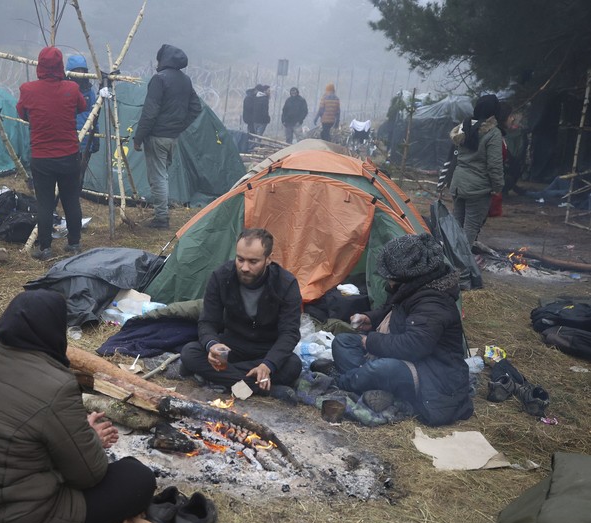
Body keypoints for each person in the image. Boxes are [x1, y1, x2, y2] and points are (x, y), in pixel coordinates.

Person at [0, 290, 157, 523]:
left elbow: (15, 430)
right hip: (1, 522)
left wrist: (77, 435)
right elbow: (89, 475)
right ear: (55, 330)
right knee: (137, 477)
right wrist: (91, 439)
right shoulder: (57, 384)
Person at [329, 233, 473, 426]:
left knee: (381, 369)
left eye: (390, 276)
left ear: (407, 275)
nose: (388, 281)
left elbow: (413, 346)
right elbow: (393, 310)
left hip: (432, 373)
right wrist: (370, 319)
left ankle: (343, 382)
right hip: (406, 359)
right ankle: (371, 387)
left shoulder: (434, 303)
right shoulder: (414, 287)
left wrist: (370, 341)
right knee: (343, 342)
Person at [180, 228, 303, 399]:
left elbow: (289, 333)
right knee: (190, 352)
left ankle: (219, 379)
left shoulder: (286, 284)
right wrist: (212, 344)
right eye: (240, 259)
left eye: (253, 261)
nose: (244, 267)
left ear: (268, 259)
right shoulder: (221, 276)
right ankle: (257, 388)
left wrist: (268, 365)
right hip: (232, 345)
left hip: (265, 349)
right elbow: (207, 321)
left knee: (293, 365)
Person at [17, 47, 87, 260]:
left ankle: (45, 248)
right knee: (71, 200)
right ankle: (74, 243)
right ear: (60, 66)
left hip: (42, 157)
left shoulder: (27, 89)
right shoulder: (72, 88)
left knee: (45, 202)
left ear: (39, 65)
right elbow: (82, 107)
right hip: (69, 154)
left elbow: (22, 112)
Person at [133, 44, 202, 229]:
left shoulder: (159, 79)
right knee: (163, 175)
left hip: (157, 137)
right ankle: (161, 214)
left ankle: (161, 219)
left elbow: (150, 112)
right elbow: (196, 107)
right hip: (172, 138)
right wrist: (179, 126)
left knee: (158, 178)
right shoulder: (185, 80)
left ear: (163, 59)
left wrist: (138, 137)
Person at [449, 94, 504, 248]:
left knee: (456, 226)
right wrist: (498, 187)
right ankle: (461, 267)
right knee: (470, 229)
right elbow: (494, 165)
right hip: (477, 188)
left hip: (458, 184)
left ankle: (448, 260)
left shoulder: (464, 127)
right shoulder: (493, 133)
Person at [66, 54, 99, 177]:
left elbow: (94, 114)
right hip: (68, 139)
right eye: (76, 70)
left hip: (85, 142)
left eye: (82, 70)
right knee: (67, 175)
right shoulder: (64, 90)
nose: (79, 73)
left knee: (80, 175)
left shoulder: (89, 92)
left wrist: (95, 138)